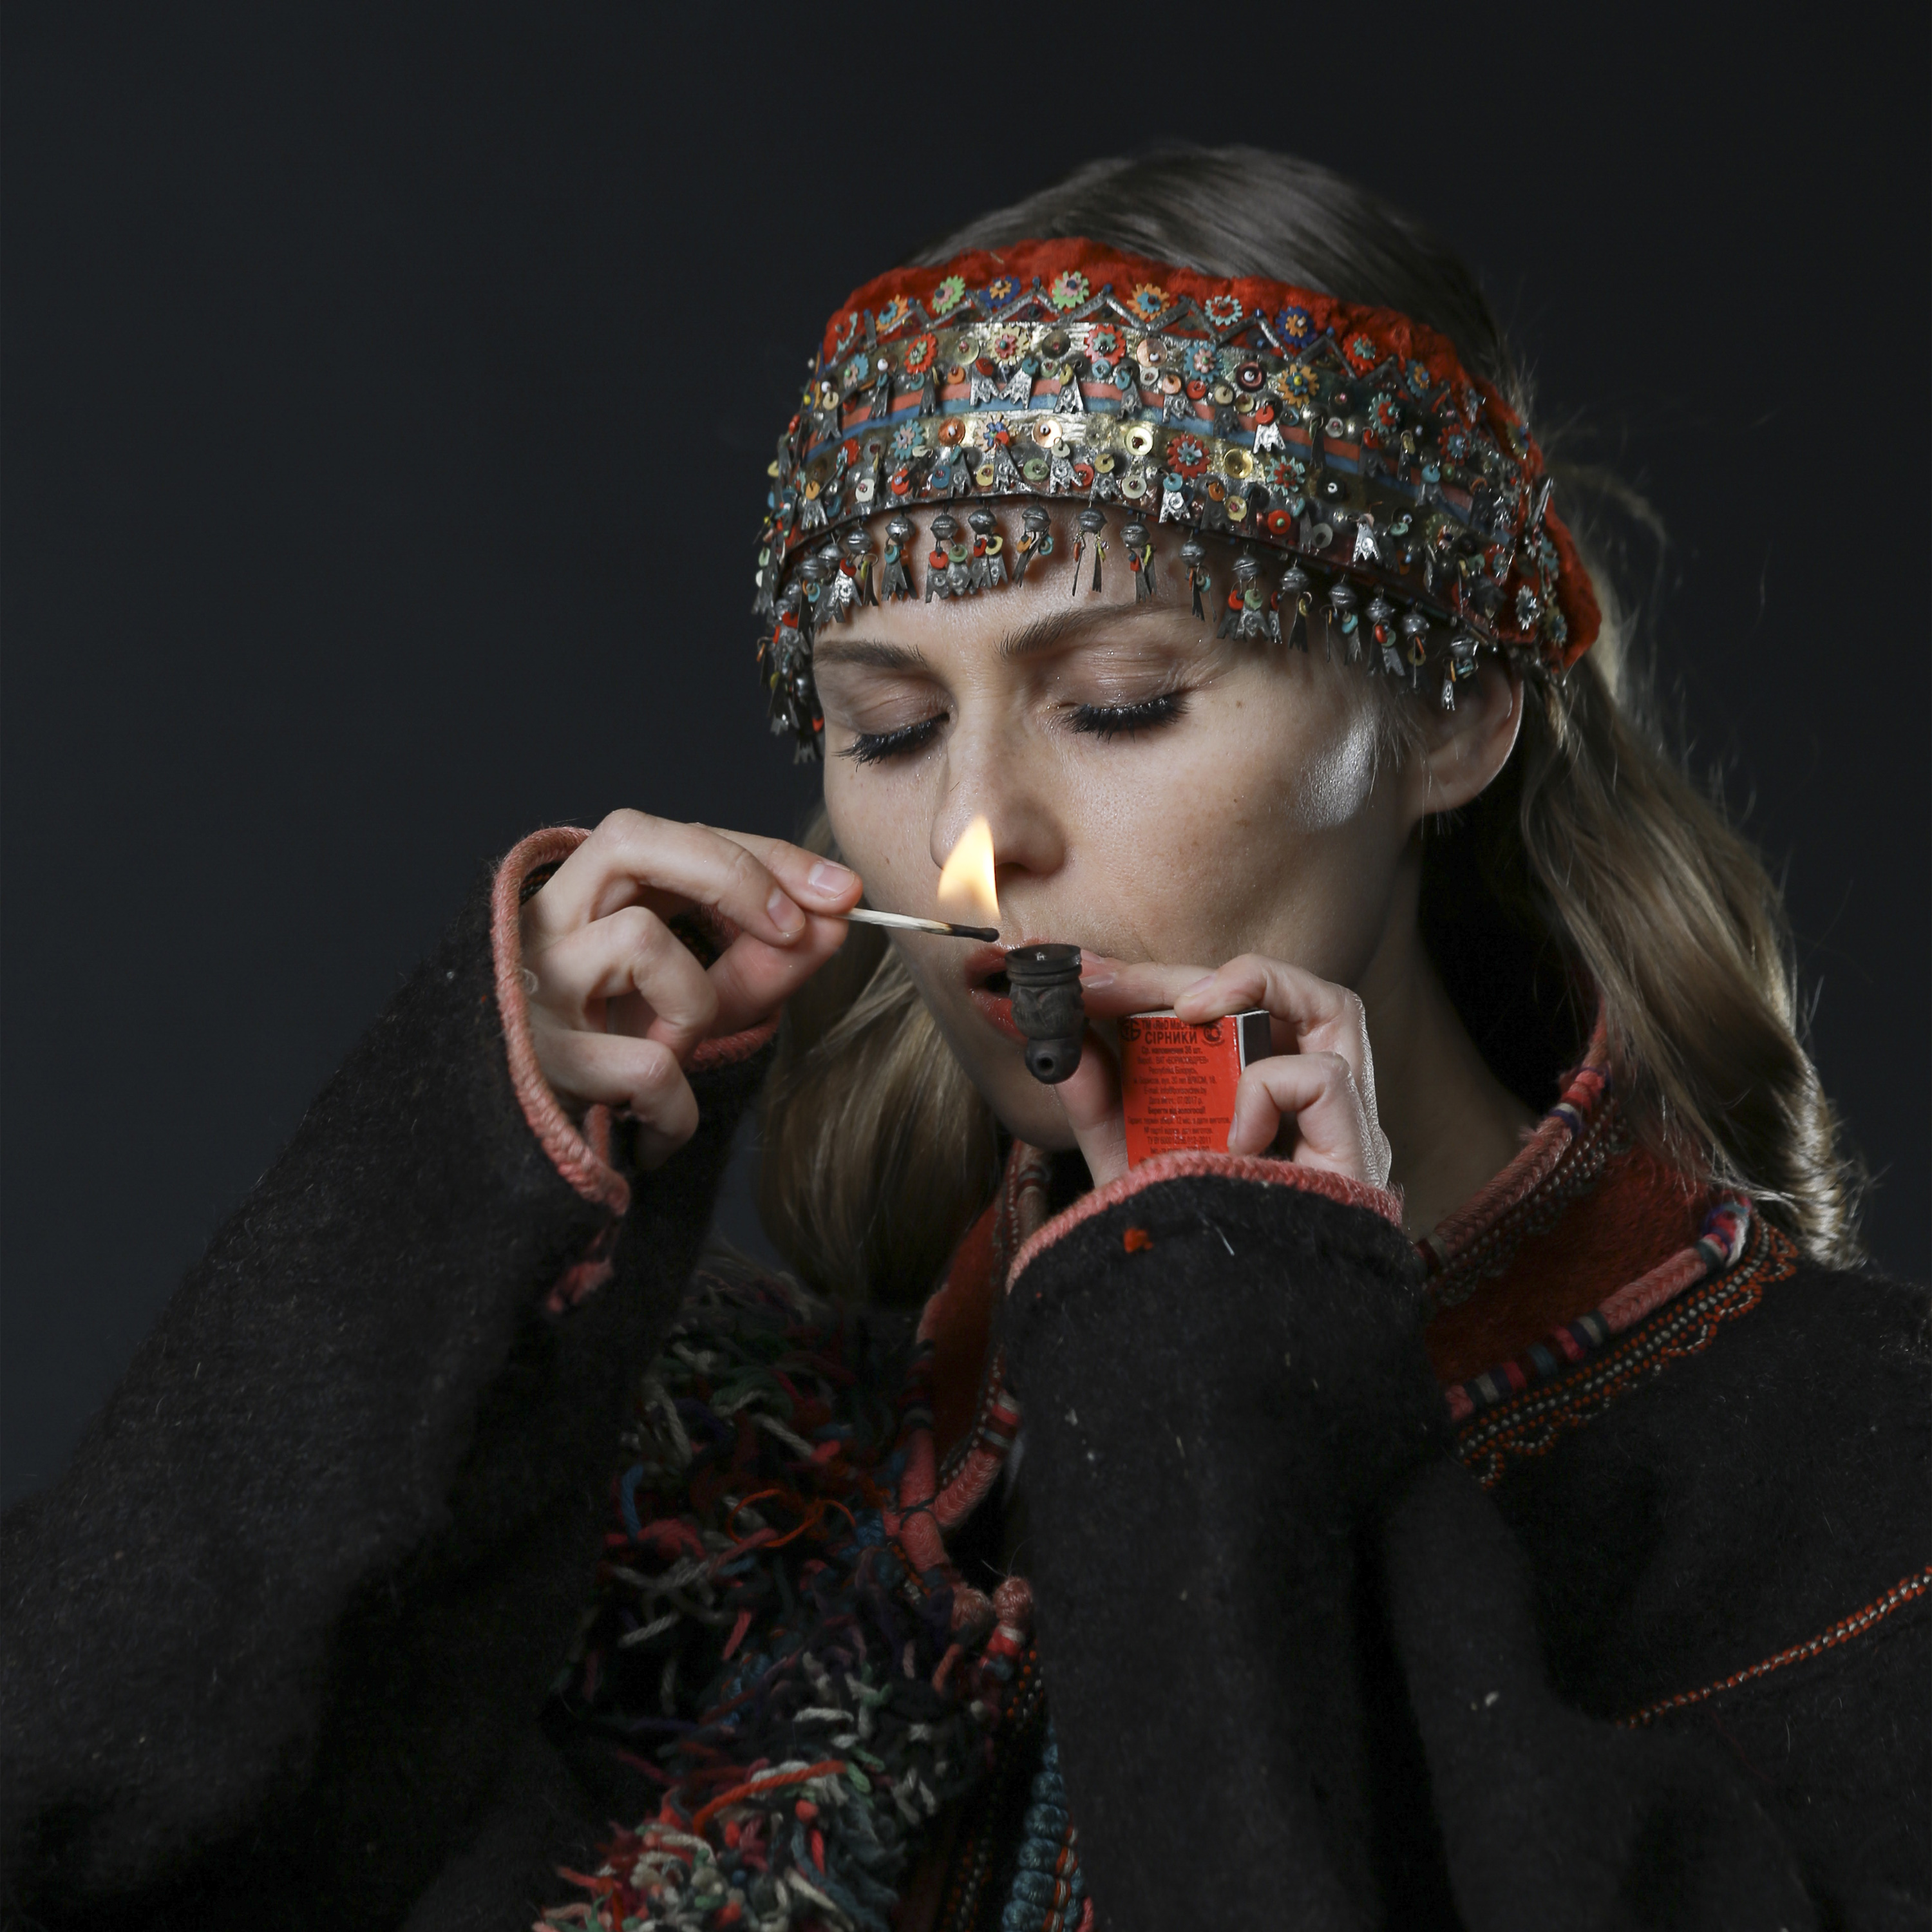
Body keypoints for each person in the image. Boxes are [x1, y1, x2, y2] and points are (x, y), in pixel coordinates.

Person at [3, 147, 1924, 1932]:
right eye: (893, 729)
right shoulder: (746, 1490)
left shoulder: (1852, 1491)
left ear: (1453, 717)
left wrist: (1221, 1343)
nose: (976, 841)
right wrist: (459, 1197)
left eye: (1122, 700)